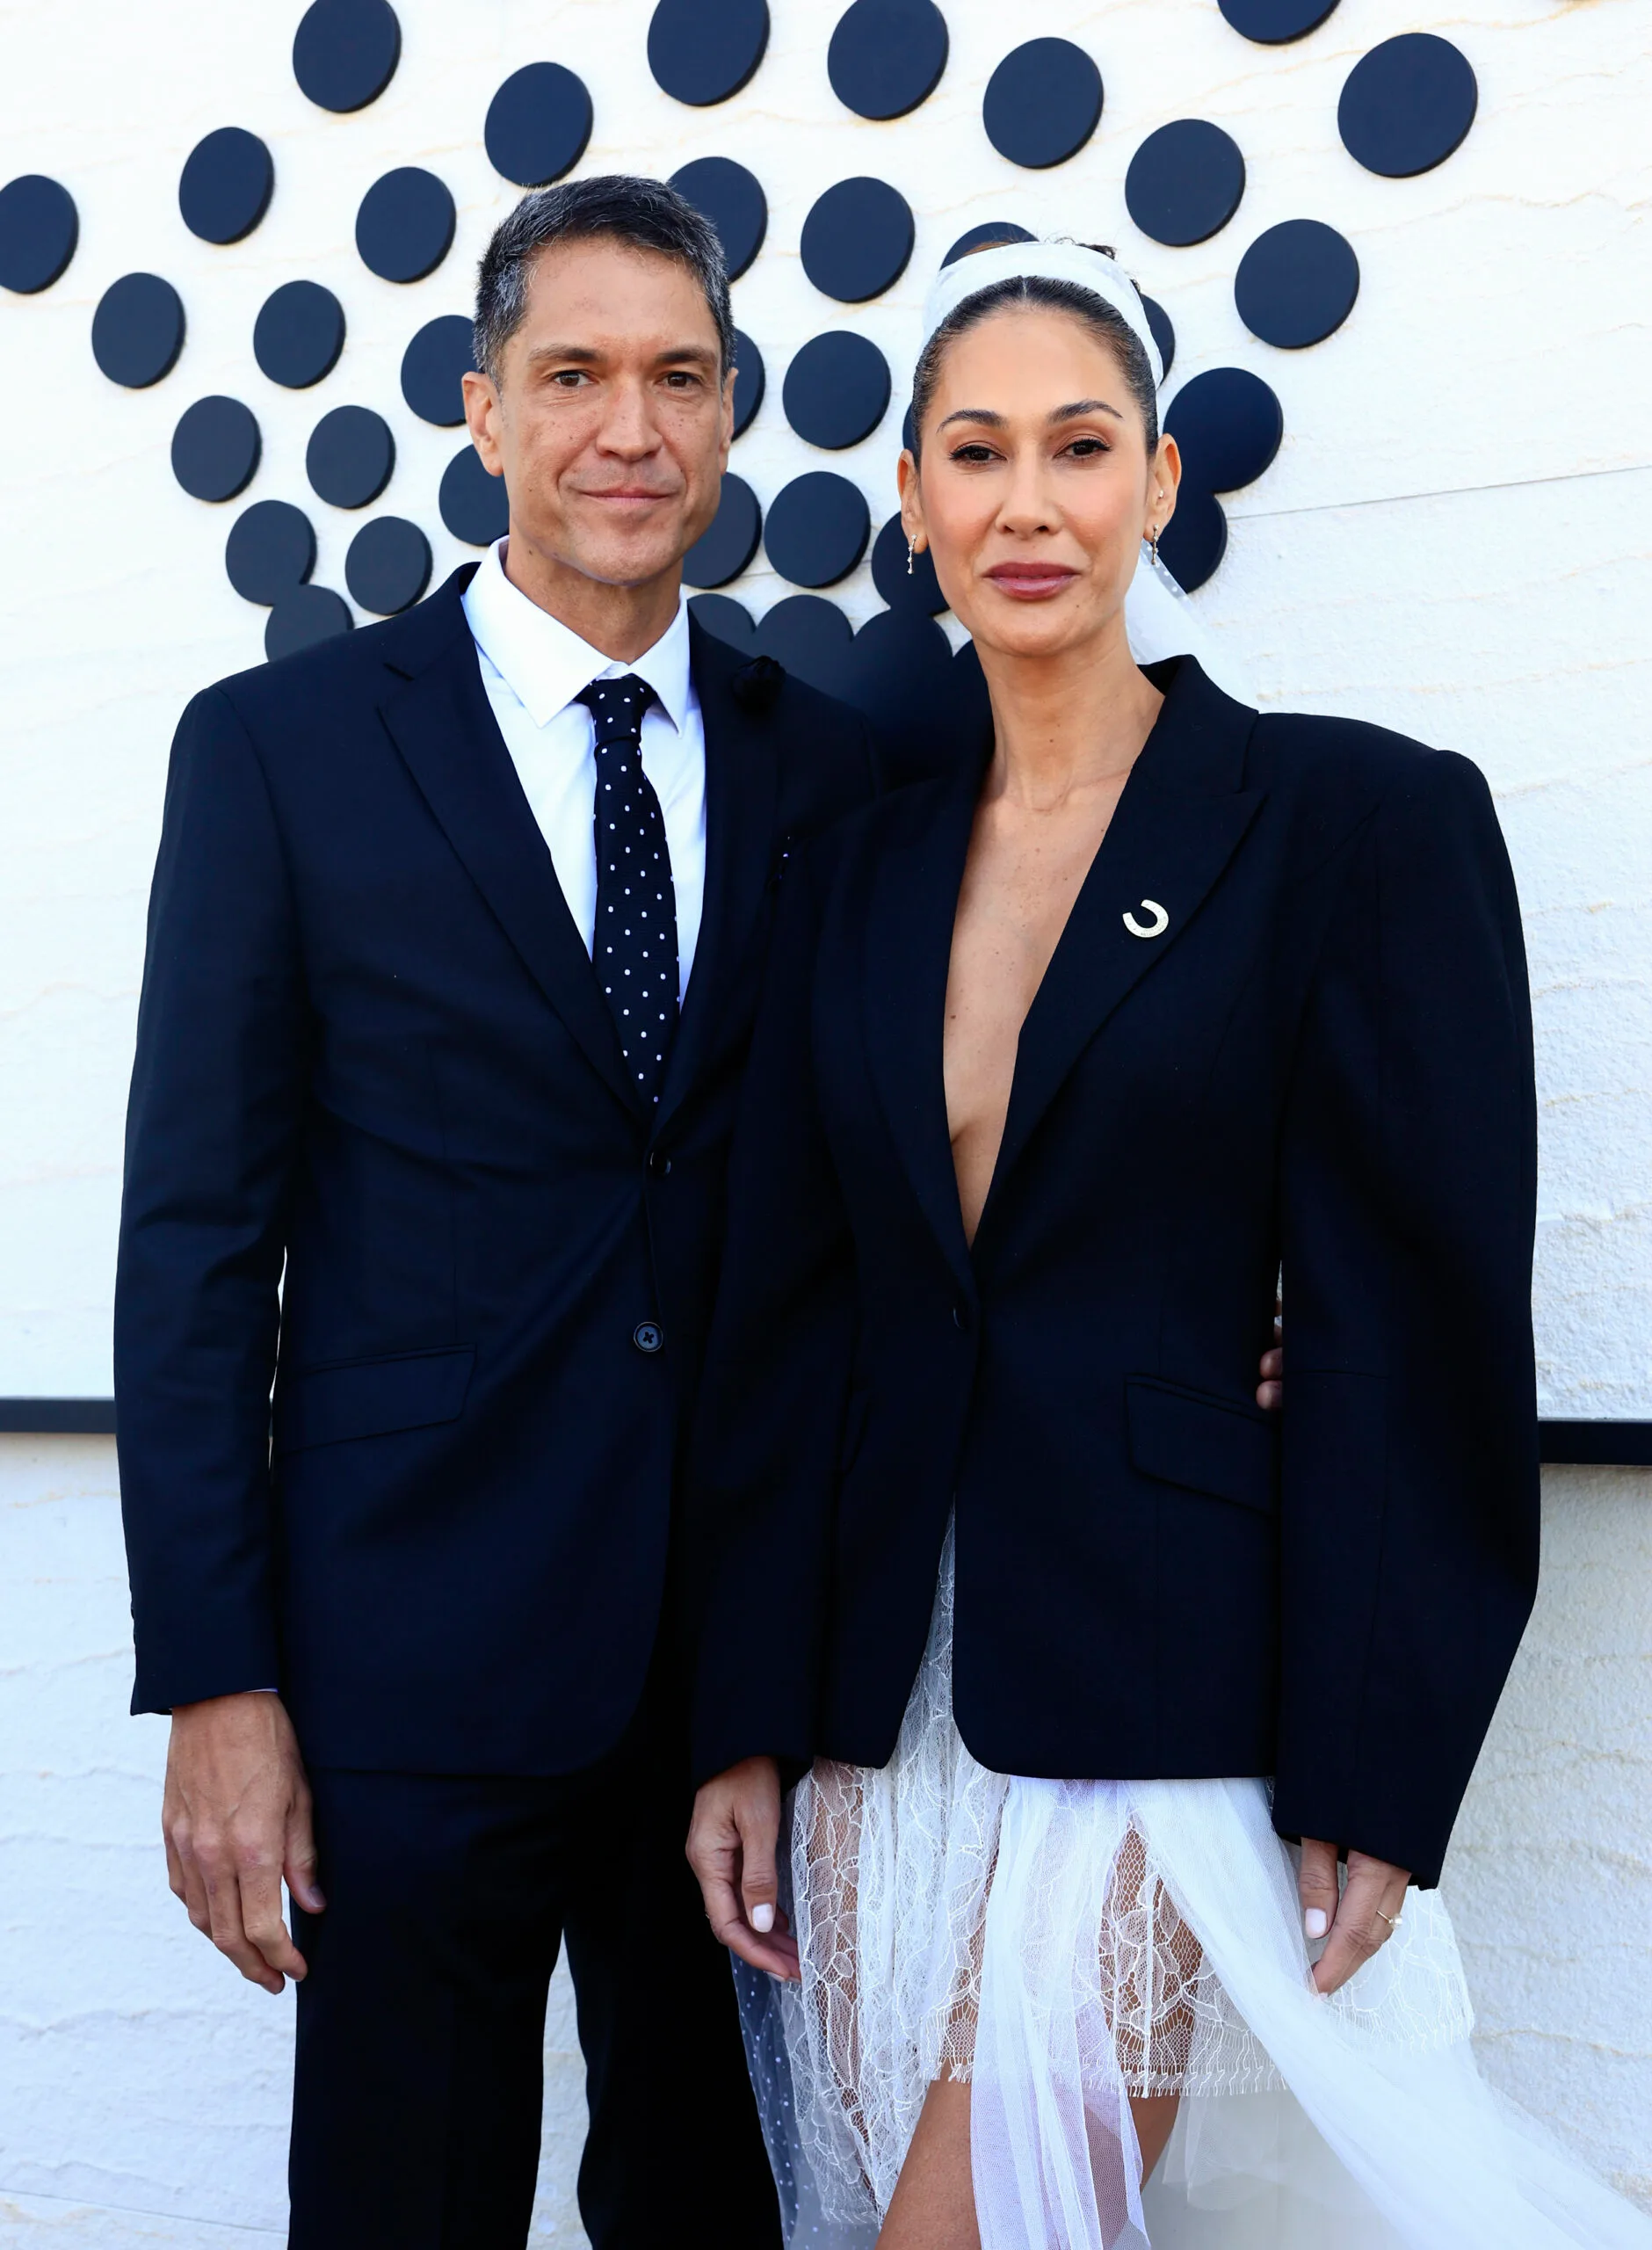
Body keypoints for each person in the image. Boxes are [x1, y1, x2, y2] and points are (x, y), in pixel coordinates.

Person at [685, 242, 1652, 2248]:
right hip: (887, 1694)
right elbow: (793, 1326)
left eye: (1078, 445)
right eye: (976, 452)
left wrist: (1380, 1766)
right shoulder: (846, 873)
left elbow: (1419, 1313)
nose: (1026, 502)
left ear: (1161, 480)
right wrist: (745, 1721)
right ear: (910, 501)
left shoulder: (1348, 820)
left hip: (1165, 1682)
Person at [113, 176, 885, 2250]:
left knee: (715, 2209)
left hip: (734, 1694)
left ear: (732, 416)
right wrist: (217, 1680)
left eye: (677, 376)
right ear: (482, 408)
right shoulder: (282, 752)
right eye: (573, 375)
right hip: (400, 1667)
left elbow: (915, 1156)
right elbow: (196, 1238)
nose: (626, 427)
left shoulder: (835, 765)